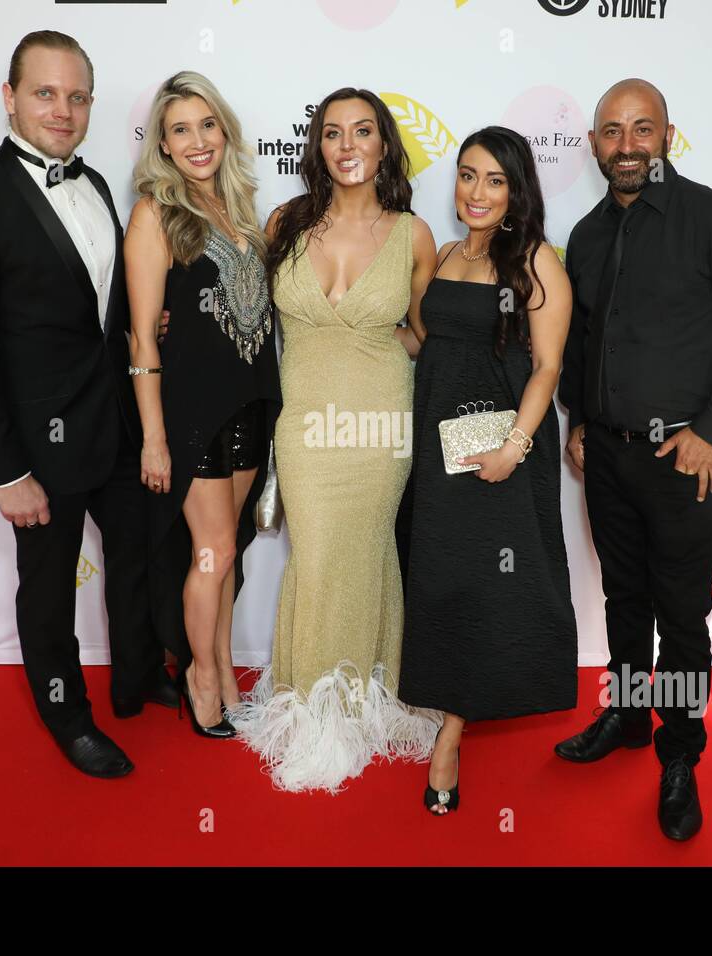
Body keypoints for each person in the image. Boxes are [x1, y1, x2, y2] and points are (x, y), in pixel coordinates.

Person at [0, 31, 178, 779]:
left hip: (116, 426)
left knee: (135, 560)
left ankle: (135, 679)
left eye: (76, 96)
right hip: (37, 446)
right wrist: (4, 470)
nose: (62, 110)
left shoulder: (97, 185)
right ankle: (68, 716)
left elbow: (98, 306)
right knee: (48, 589)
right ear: (9, 97)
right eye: (45, 93)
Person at [554, 78, 712, 840]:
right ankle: (626, 713)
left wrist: (711, 430)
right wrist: (580, 420)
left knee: (681, 618)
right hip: (609, 458)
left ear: (668, 135)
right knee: (623, 599)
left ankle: (680, 752)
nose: (627, 146)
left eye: (642, 129)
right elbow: (582, 342)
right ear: (595, 145)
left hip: (682, 461)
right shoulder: (586, 237)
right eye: (612, 132)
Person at [229, 88, 440, 793]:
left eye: (363, 131)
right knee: (317, 555)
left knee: (366, 548)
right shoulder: (286, 222)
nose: (348, 145)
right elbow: (252, 319)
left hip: (381, 421)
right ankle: (313, 703)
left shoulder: (412, 234)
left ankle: (356, 702)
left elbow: (424, 337)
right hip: (307, 423)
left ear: (384, 145)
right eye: (332, 133)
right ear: (317, 146)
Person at [398, 127, 577, 815]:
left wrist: (515, 446)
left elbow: (549, 366)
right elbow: (428, 343)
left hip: (500, 447)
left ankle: (451, 733)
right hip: (439, 446)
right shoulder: (445, 253)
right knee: (443, 580)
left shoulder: (534, 261)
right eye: (467, 176)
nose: (476, 192)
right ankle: (448, 705)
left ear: (517, 190)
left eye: (494, 180)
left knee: (488, 587)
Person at [124, 71, 281, 739]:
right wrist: (153, 437)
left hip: (249, 403)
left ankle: (216, 667)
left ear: (225, 130)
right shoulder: (155, 214)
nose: (197, 140)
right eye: (181, 129)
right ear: (162, 142)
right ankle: (203, 678)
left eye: (206, 125)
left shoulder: (242, 209)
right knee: (211, 553)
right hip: (192, 414)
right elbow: (140, 336)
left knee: (228, 552)